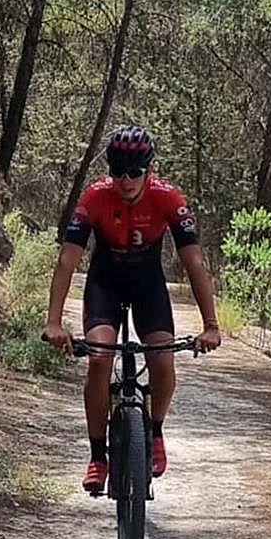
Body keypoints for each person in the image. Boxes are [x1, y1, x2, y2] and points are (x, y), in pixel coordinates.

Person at [43, 125, 221, 493]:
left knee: (162, 361)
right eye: (117, 171)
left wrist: (211, 325)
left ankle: (154, 432)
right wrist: (54, 322)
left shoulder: (168, 197)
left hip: (147, 287)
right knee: (97, 360)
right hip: (104, 284)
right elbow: (67, 261)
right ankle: (97, 456)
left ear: (149, 171)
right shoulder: (95, 197)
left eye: (134, 172)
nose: (125, 180)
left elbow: (194, 263)